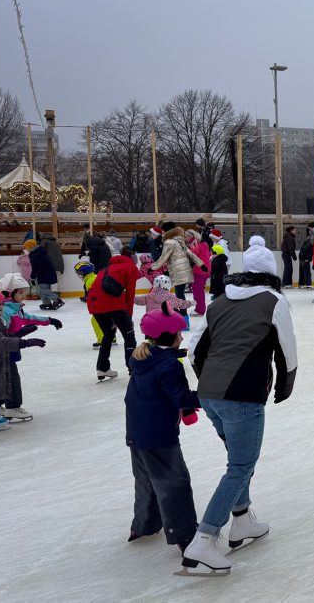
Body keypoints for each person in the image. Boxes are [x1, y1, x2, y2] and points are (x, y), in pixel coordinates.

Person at [184, 235, 298, 573]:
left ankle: (243, 520)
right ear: (271, 273)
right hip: (242, 396)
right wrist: (285, 385)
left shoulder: (219, 301)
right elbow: (287, 348)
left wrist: (211, 383)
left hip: (210, 394)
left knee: (238, 460)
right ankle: (204, 540)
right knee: (241, 466)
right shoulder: (274, 300)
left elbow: (194, 351)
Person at [125, 301, 200, 556]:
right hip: (159, 435)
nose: (182, 337)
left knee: (146, 480)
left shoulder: (141, 358)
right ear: (169, 336)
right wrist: (211, 396)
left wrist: (174, 355)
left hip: (137, 432)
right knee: (174, 483)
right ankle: (184, 534)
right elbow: (181, 398)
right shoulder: (169, 366)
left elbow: (158, 370)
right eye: (179, 333)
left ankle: (144, 525)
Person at [0, 273, 62, 422]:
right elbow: (0, 333)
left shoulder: (15, 309)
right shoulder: (6, 311)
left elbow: (29, 318)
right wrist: (18, 336)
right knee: (11, 378)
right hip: (5, 349)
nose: (24, 295)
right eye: (20, 293)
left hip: (10, 348)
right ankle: (12, 407)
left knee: (4, 377)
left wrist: (49, 320)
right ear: (9, 293)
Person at [0, 290, 46, 432]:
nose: (3, 307)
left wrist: (20, 333)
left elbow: (2, 337)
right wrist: (25, 343)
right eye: (0, 305)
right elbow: (0, 341)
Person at [88, 253, 140, 382]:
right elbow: (130, 295)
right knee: (129, 335)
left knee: (108, 334)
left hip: (93, 303)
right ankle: (133, 369)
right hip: (113, 304)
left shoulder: (106, 267)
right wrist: (129, 317)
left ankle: (102, 367)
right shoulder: (131, 268)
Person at [151, 223, 207, 318]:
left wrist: (152, 267)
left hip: (178, 271)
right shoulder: (179, 239)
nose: (162, 232)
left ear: (167, 231)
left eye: (163, 230)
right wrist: (201, 264)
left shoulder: (169, 242)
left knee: (179, 294)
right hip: (183, 270)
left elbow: (163, 257)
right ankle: (183, 315)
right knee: (179, 294)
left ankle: (183, 316)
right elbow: (189, 253)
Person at [26, 240, 64, 311]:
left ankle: (57, 299)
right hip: (46, 273)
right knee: (43, 290)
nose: (26, 249)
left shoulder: (35, 255)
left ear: (30, 247)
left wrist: (32, 276)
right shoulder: (39, 252)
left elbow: (36, 267)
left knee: (43, 290)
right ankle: (47, 303)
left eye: (26, 247)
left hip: (45, 274)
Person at [185, 230, 211, 317]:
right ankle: (200, 308)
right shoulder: (204, 244)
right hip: (205, 270)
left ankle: (200, 310)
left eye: (186, 237)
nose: (185, 238)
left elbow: (191, 255)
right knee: (199, 290)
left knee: (197, 290)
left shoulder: (196, 245)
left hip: (200, 271)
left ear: (191, 237)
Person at [297, 224, 313, 290]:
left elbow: (310, 250)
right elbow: (311, 250)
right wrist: (309, 258)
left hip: (302, 256)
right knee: (306, 271)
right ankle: (307, 284)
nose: (309, 230)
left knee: (303, 271)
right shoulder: (310, 239)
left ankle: (302, 283)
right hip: (304, 256)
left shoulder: (308, 238)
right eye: (309, 229)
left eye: (310, 229)